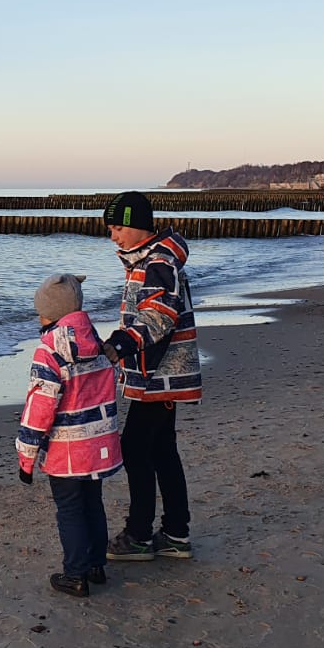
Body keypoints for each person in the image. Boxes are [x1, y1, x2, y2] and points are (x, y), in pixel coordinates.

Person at [98, 191, 201, 563]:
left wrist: (120, 344)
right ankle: (175, 532)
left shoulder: (158, 261)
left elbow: (160, 315)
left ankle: (139, 535)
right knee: (161, 449)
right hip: (156, 374)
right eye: (111, 229)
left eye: (118, 228)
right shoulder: (148, 259)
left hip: (161, 375)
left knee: (136, 448)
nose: (113, 236)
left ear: (139, 225)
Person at [15, 273, 123, 598]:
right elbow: (110, 384)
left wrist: (26, 458)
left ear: (51, 315)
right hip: (98, 443)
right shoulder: (97, 344)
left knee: (70, 509)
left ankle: (75, 574)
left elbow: (40, 409)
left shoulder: (49, 352)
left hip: (67, 452)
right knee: (93, 503)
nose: (39, 318)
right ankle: (95, 565)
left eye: (41, 313)